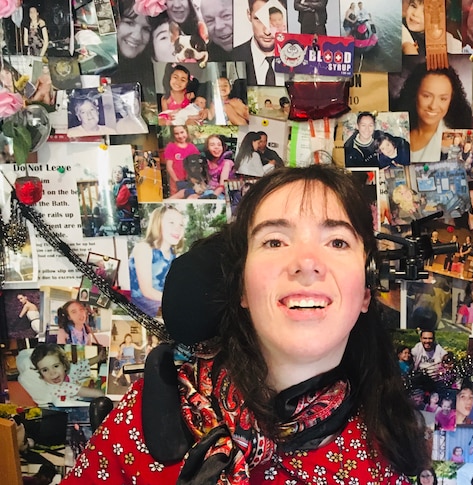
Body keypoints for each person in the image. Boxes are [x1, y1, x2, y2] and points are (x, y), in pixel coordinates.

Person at [64, 166, 430, 483]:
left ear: (365, 293)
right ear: (241, 287)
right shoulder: (152, 414)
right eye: (275, 241)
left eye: (336, 241)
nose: (306, 262)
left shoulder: (385, 450)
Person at [396, 64, 471, 163]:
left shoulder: (457, 140)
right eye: (427, 96)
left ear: (451, 100)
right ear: (414, 95)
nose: (433, 106)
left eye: (443, 99)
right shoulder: (395, 130)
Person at [129, 205, 185, 317]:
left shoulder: (174, 256)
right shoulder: (144, 248)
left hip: (162, 303)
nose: (177, 229)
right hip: (141, 305)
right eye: (171, 223)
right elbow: (147, 291)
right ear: (157, 223)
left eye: (181, 225)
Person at [27, 343, 104, 404]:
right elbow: (98, 393)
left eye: (56, 366)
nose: (52, 373)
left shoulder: (69, 372)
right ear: (40, 373)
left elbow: (83, 364)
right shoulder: (59, 388)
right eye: (45, 370)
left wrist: (98, 358)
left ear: (64, 365)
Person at [235, 0, 284, 85]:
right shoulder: (233, 56)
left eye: (275, 20)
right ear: (249, 14)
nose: (267, 31)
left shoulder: (300, 59)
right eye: (259, 19)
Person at [164, 125, 200, 194]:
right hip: (176, 182)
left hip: (191, 181)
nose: (180, 136)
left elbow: (197, 163)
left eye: (182, 132)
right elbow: (169, 167)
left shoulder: (192, 147)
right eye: (176, 134)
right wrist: (177, 181)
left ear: (186, 131)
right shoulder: (171, 146)